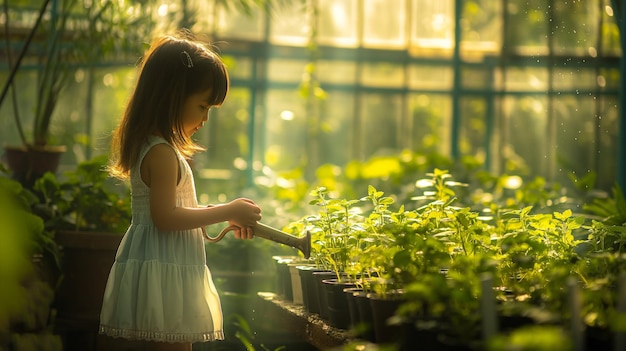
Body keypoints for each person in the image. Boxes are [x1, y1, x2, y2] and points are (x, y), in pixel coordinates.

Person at [99, 31, 262, 351]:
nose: (205, 118)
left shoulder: (159, 148)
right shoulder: (160, 153)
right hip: (164, 271)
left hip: (164, 265)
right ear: (172, 96)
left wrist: (222, 222)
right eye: (202, 106)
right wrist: (228, 210)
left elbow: (178, 212)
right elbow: (165, 217)